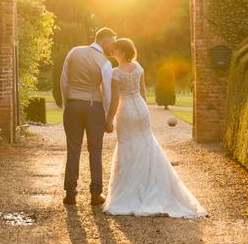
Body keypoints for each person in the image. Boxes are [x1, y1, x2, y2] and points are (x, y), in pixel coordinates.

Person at [102, 38, 207, 218]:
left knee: (127, 148)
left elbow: (114, 100)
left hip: (125, 112)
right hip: (141, 110)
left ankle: (130, 192)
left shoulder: (115, 73)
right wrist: (144, 112)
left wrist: (109, 120)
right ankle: (153, 185)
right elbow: (142, 93)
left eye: (117, 49)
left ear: (124, 52)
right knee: (146, 145)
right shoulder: (139, 68)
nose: (114, 51)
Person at [60, 27, 116, 206]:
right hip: (94, 108)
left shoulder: (74, 52)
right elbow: (106, 92)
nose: (113, 48)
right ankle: (95, 194)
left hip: (73, 104)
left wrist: (67, 102)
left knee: (73, 149)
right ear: (105, 41)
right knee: (95, 150)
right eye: (112, 43)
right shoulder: (105, 63)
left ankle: (70, 193)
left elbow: (64, 80)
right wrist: (108, 118)